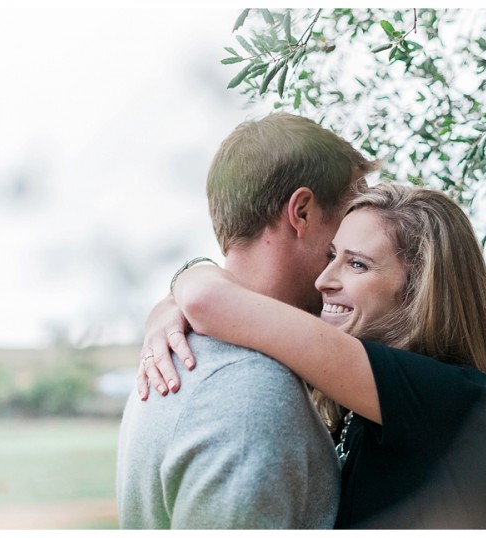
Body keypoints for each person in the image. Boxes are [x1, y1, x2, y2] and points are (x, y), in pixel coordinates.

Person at [141, 183, 486, 528]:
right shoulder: (363, 410)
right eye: (331, 255)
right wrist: (172, 305)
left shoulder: (456, 398)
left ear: (419, 289)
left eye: (356, 264)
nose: (323, 280)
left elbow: (209, 299)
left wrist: (184, 281)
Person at [115, 112, 378, 528]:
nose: (352, 247)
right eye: (347, 221)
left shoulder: (188, 359)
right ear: (303, 212)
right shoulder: (253, 391)